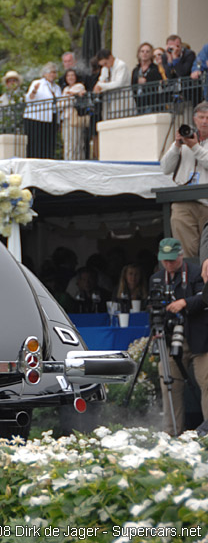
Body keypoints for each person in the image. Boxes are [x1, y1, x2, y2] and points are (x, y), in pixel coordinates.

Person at [150, 237, 208, 436]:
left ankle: (207, 431)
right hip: (171, 336)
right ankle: (171, 432)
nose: (168, 264)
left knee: (207, 381)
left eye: (172, 260)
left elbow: (204, 297)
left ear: (181, 255)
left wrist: (185, 302)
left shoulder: (196, 272)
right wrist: (156, 331)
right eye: (165, 260)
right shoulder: (157, 278)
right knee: (169, 381)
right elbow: (155, 308)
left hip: (200, 338)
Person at [160, 101, 208, 259]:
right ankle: (192, 281)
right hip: (184, 202)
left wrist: (195, 147)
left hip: (206, 203)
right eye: (201, 117)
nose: (204, 121)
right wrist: (177, 145)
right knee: (187, 253)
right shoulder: (184, 143)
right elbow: (165, 168)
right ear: (194, 119)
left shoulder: (193, 145)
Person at [23, 62, 61, 158]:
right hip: (36, 118)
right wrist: (34, 91)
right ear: (44, 74)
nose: (52, 74)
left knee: (49, 143)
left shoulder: (57, 87)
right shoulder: (37, 83)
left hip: (51, 118)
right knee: (36, 144)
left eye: (54, 72)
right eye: (50, 72)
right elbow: (29, 99)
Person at [59, 68, 90, 160]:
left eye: (72, 75)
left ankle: (74, 161)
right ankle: (69, 161)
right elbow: (60, 105)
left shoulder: (79, 86)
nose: (70, 77)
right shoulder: (66, 89)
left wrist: (68, 98)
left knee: (75, 143)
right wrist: (68, 97)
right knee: (67, 142)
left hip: (74, 118)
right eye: (68, 75)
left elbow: (68, 102)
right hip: (65, 118)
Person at [131, 42, 165, 114]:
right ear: (139, 54)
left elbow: (157, 82)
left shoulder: (155, 68)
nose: (144, 53)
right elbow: (132, 85)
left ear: (151, 54)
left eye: (147, 51)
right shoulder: (136, 70)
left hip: (152, 102)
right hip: (139, 103)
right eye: (142, 51)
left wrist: (146, 81)